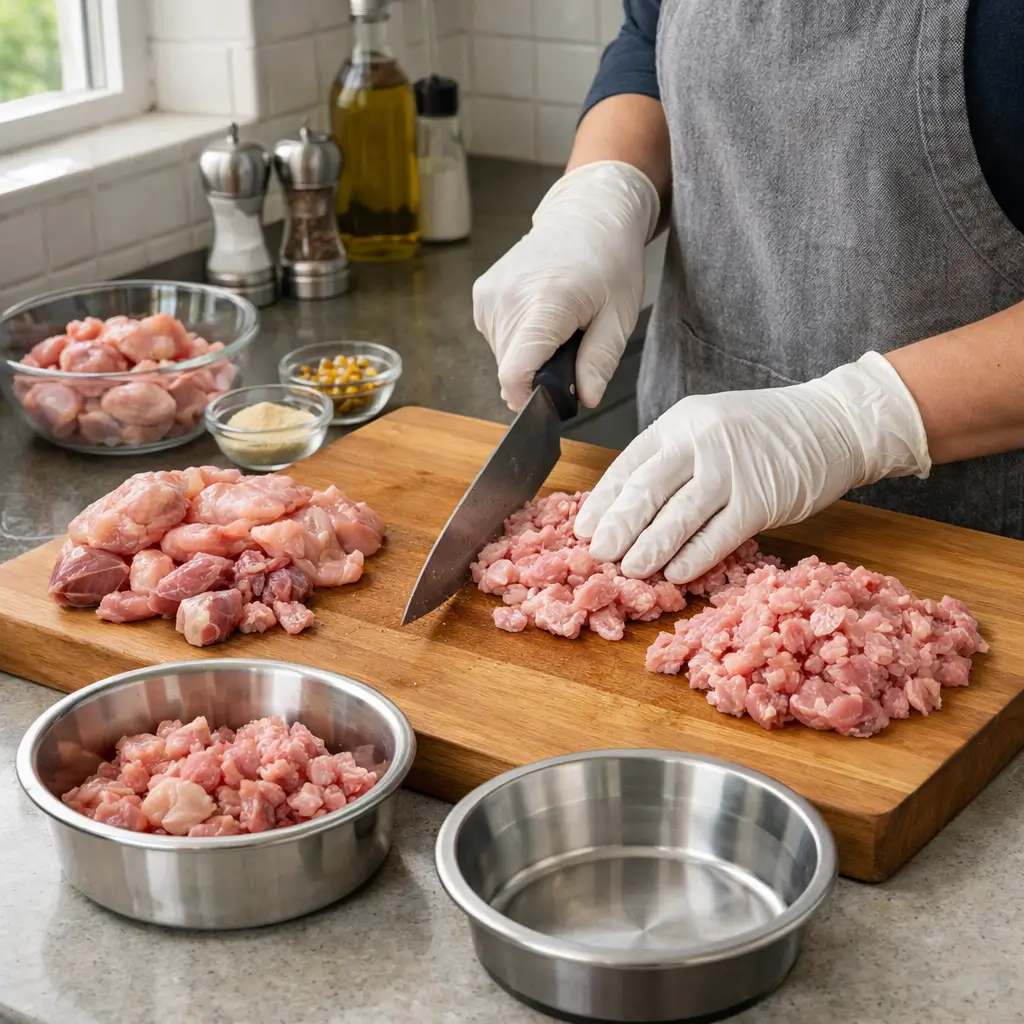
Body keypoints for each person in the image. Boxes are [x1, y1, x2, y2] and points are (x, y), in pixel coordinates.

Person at [472, 0, 1024, 586]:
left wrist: (855, 420)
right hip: (680, 505)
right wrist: (602, 194)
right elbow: (648, 38)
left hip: (974, 541)